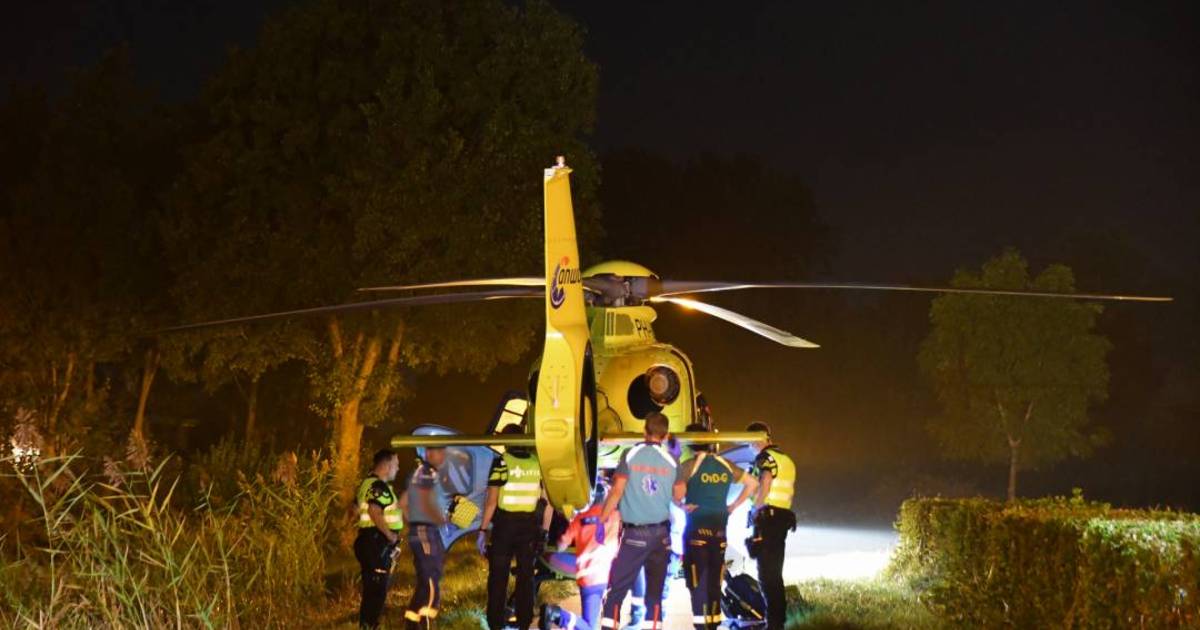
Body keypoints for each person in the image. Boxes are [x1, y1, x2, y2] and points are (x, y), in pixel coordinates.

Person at [673, 424, 758, 630]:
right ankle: (713, 624)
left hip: (697, 531)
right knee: (714, 581)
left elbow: (677, 495)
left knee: (697, 581)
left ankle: (702, 626)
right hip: (719, 531)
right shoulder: (725, 464)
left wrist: (683, 505)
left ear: (692, 443)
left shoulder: (689, 466)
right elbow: (753, 484)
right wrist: (733, 507)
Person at [598, 412, 678, 630]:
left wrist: (601, 520)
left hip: (635, 536)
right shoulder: (671, 459)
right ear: (666, 435)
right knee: (654, 596)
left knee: (617, 591)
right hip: (662, 536)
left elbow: (617, 491)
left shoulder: (630, 454)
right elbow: (679, 495)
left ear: (644, 431)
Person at [479, 425, 550, 629]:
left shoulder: (501, 462)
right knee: (526, 578)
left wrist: (483, 531)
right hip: (529, 528)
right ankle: (524, 622)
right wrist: (544, 532)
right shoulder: (537, 464)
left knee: (498, 579)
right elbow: (547, 502)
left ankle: (495, 623)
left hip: (504, 528)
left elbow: (491, 501)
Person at [539, 480, 621, 630]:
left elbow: (562, 544)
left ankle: (558, 615)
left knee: (590, 624)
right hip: (602, 576)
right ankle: (557, 614)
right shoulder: (614, 516)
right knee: (590, 626)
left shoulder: (580, 519)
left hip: (585, 577)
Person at [746, 422, 797, 630]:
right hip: (782, 519)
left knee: (767, 575)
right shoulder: (786, 459)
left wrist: (755, 509)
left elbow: (766, 480)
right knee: (775, 574)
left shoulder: (765, 458)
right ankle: (777, 622)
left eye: (749, 441)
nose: (749, 446)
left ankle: (773, 624)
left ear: (758, 438)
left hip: (768, 519)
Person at [354, 449, 405, 630]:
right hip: (376, 543)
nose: (398, 469)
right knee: (376, 593)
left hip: (369, 541)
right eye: (396, 464)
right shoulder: (379, 487)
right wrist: (390, 536)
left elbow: (354, 510)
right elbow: (374, 511)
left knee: (371, 592)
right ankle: (370, 626)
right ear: (387, 465)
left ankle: (367, 625)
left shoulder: (366, 483)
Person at [403, 446, 449, 630]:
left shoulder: (423, 473)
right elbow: (425, 501)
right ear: (431, 453)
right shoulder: (427, 473)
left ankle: (412, 623)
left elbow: (403, 503)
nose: (444, 455)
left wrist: (413, 523)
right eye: (441, 451)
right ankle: (426, 622)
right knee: (431, 580)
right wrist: (440, 519)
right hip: (426, 531)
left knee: (428, 578)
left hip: (425, 530)